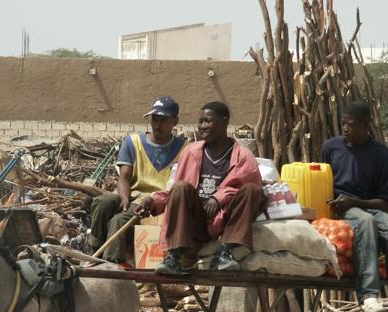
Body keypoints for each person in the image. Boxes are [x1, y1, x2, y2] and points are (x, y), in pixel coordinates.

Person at [135, 101, 266, 274]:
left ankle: (226, 252)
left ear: (224, 122)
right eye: (200, 122)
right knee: (181, 187)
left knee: (252, 191)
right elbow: (175, 190)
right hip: (195, 220)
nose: (202, 126)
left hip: (225, 221)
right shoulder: (191, 152)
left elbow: (247, 187)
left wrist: (218, 198)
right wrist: (152, 201)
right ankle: (175, 256)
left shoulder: (243, 155)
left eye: (208, 121)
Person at [322, 101, 388, 312]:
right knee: (365, 223)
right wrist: (339, 203)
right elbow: (323, 182)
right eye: (343, 124)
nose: (345, 129)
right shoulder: (331, 147)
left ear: (366, 126)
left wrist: (355, 201)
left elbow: (385, 202)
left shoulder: (381, 155)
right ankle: (369, 296)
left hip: (371, 205)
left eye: (351, 125)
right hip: (343, 208)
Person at [88, 96, 187, 263]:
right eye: (154, 119)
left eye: (163, 120)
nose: (157, 125)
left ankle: (111, 264)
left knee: (119, 220)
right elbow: (124, 178)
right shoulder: (133, 142)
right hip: (134, 196)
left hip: (161, 202)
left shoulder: (185, 148)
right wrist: (125, 199)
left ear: (175, 121)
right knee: (103, 201)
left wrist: (152, 201)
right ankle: (93, 249)